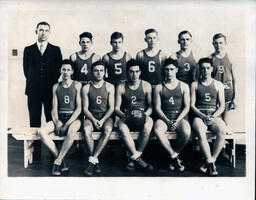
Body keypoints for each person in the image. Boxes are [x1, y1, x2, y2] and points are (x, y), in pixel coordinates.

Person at [23, 21, 62, 159]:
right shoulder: (28, 49)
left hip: (50, 91)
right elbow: (26, 71)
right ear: (36, 31)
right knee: (34, 120)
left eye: (46, 30)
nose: (43, 32)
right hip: (33, 91)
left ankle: (53, 151)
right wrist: (36, 84)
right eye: (41, 30)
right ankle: (37, 151)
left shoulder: (56, 49)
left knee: (51, 119)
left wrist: (49, 86)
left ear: (49, 33)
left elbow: (58, 71)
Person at [38, 59, 82, 176]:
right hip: (60, 117)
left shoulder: (77, 85)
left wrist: (67, 124)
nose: (66, 72)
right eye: (64, 69)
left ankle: (57, 162)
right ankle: (62, 160)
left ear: (72, 71)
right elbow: (54, 108)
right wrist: (57, 122)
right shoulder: (56, 86)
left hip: (74, 119)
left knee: (72, 131)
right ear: (60, 71)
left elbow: (79, 108)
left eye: (68, 70)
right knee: (41, 131)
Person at [115, 59, 154, 172]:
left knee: (147, 127)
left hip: (143, 114)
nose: (134, 74)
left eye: (137, 71)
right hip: (127, 115)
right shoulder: (121, 86)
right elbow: (116, 108)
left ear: (140, 72)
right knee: (122, 128)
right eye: (131, 72)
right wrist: (125, 116)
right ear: (127, 72)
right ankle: (139, 159)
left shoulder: (146, 85)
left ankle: (133, 158)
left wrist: (144, 115)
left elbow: (151, 106)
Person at [190, 58, 227, 176]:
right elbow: (191, 105)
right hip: (199, 115)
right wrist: (202, 116)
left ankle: (211, 161)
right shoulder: (194, 84)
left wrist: (213, 116)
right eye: (203, 68)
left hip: (214, 115)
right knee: (201, 131)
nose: (205, 70)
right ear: (199, 69)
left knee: (222, 131)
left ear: (211, 69)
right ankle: (210, 162)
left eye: (207, 68)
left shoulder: (218, 84)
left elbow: (221, 106)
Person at [153, 58, 191, 172]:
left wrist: (177, 120)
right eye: (167, 69)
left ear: (176, 70)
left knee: (186, 132)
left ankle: (174, 154)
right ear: (164, 71)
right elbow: (157, 108)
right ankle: (175, 157)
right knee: (157, 131)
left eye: (171, 69)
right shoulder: (158, 87)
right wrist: (167, 121)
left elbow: (187, 107)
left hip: (179, 117)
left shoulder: (184, 86)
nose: (169, 72)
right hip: (164, 117)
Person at [82, 61, 115, 176]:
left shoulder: (110, 87)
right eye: (96, 70)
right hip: (91, 117)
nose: (99, 73)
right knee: (86, 130)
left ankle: (92, 161)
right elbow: (85, 109)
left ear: (105, 72)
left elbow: (111, 108)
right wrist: (93, 120)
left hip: (105, 117)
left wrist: (101, 120)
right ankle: (95, 162)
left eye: (101, 70)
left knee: (108, 130)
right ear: (92, 72)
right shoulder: (86, 88)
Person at [209, 33, 236, 160]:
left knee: (224, 124)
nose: (218, 45)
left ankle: (222, 150)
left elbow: (234, 78)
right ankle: (214, 151)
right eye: (216, 42)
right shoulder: (210, 58)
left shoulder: (230, 57)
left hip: (228, 95)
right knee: (216, 124)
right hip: (215, 96)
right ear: (213, 43)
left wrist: (235, 97)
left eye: (221, 42)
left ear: (225, 44)